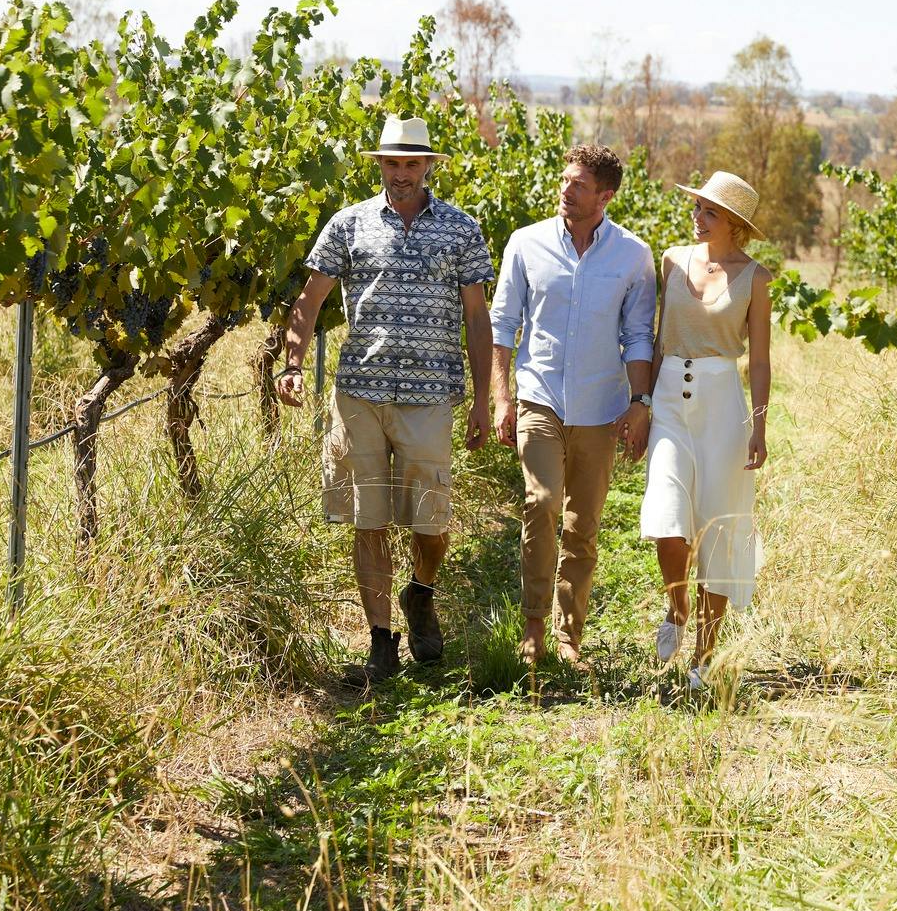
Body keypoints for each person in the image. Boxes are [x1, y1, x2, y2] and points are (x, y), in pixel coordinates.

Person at [276, 115, 494, 683]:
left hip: (430, 394)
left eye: (411, 163)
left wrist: (483, 399)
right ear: (380, 165)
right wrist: (294, 362)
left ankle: (420, 592)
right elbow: (311, 297)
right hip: (360, 395)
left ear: (427, 167)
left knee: (430, 521)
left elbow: (477, 316)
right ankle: (380, 642)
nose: (401, 173)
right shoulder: (347, 226)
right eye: (392, 163)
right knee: (366, 519)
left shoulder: (460, 229)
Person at [489, 144, 659, 666]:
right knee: (540, 505)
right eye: (564, 180)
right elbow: (501, 325)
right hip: (539, 398)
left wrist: (639, 402)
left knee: (582, 524)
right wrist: (502, 398)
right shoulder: (526, 243)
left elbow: (637, 337)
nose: (566, 190)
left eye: (579, 184)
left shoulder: (633, 256)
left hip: (601, 408)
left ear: (605, 195)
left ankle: (570, 633)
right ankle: (534, 625)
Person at [640, 170, 771, 691]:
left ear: (734, 224)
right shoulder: (672, 259)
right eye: (696, 207)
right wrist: (643, 403)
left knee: (716, 521)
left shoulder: (755, 278)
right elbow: (654, 339)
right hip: (671, 393)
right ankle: (677, 607)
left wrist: (758, 425)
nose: (696, 216)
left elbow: (759, 360)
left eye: (708, 211)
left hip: (722, 402)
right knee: (668, 518)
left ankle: (704, 654)